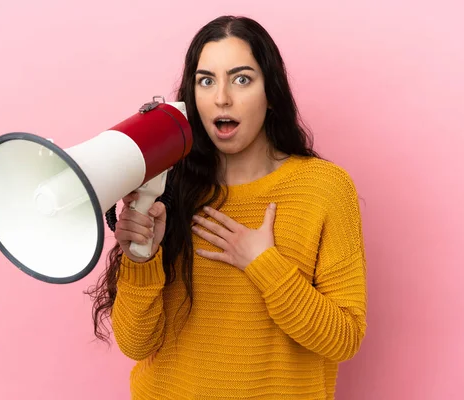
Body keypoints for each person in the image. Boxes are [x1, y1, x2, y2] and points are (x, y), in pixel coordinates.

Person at [86, 15, 367, 400]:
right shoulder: (168, 186)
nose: (222, 97)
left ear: (271, 94)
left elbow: (343, 339)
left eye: (242, 79)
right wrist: (140, 259)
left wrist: (263, 263)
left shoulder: (325, 188)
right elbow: (136, 346)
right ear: (193, 96)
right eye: (206, 80)